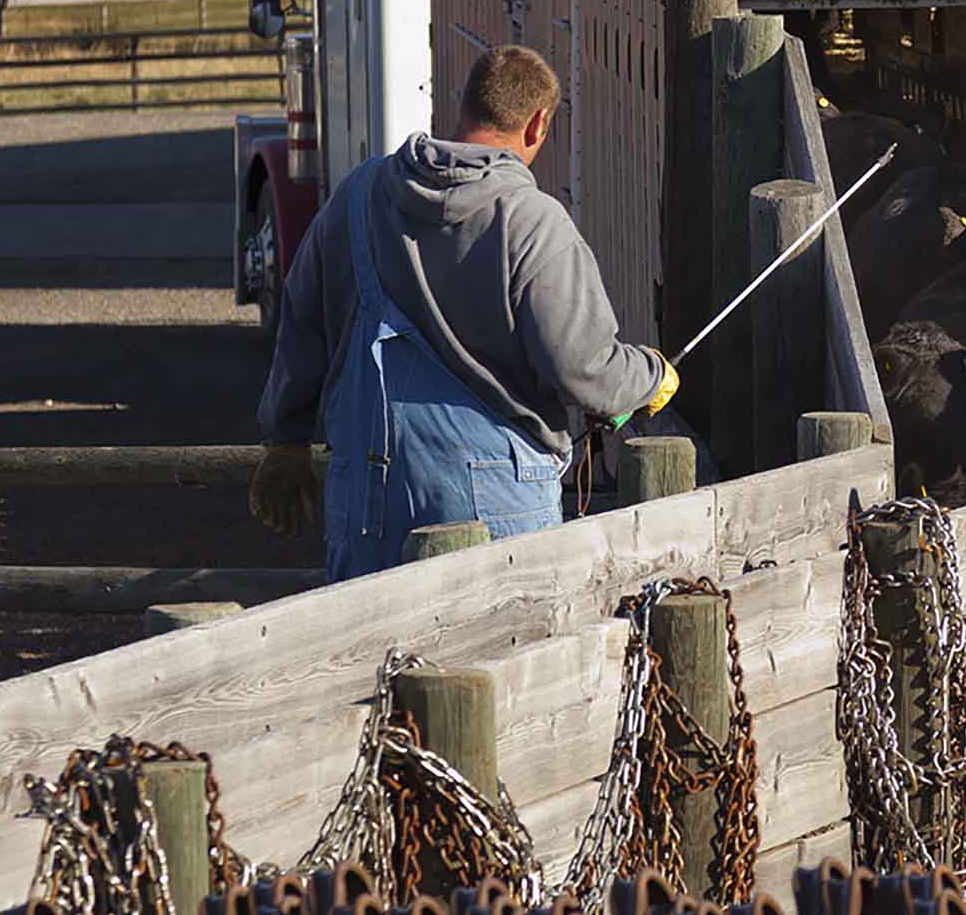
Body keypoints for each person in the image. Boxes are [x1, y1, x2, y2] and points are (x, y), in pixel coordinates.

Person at [248, 45, 678, 581]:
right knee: (504, 657)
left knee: (372, 657)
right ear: (538, 122)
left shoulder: (358, 196)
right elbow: (583, 366)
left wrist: (285, 442)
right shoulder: (533, 221)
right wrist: (652, 376)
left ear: (464, 105)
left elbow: (300, 322)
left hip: (364, 497)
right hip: (498, 500)